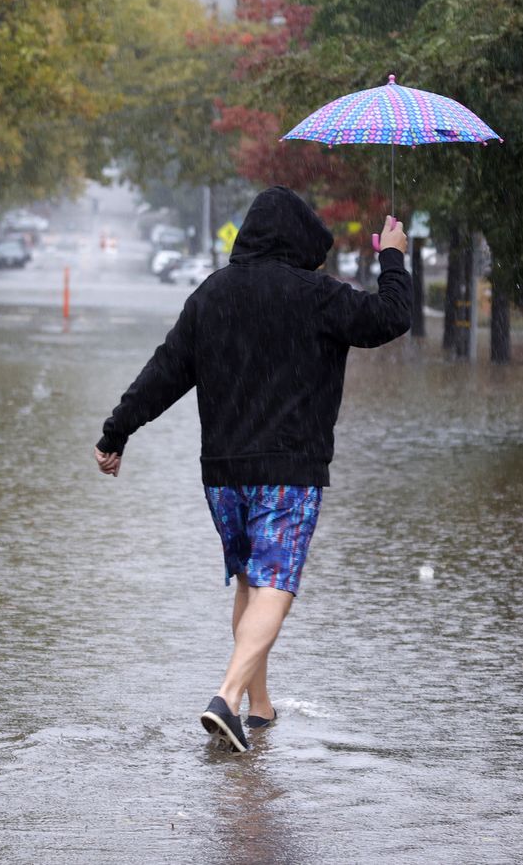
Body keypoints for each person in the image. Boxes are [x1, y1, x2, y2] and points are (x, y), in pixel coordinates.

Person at [93, 186, 411, 753]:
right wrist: (392, 255)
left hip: (223, 473)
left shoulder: (212, 295)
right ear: (299, 239)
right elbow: (390, 316)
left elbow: (165, 372)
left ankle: (259, 710)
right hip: (288, 468)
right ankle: (228, 697)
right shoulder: (319, 296)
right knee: (277, 582)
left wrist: (117, 431)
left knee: (249, 578)